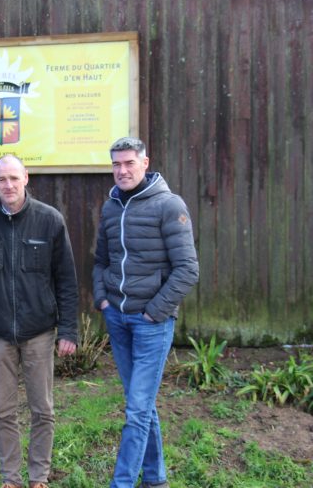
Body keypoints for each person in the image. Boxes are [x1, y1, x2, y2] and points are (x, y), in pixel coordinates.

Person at [0, 154, 79, 488]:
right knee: (3, 412)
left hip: (39, 331)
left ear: (26, 177)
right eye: (1, 179)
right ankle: (10, 479)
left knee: (43, 409)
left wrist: (68, 329)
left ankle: (38, 477)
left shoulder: (50, 220)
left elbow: (66, 279)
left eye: (14, 178)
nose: (8, 185)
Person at [93, 137, 199, 488]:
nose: (122, 171)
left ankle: (121, 483)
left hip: (151, 323)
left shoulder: (169, 206)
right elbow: (101, 261)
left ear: (144, 162)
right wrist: (103, 300)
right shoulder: (110, 207)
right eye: (116, 164)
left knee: (137, 409)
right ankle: (155, 479)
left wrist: (155, 312)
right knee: (142, 405)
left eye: (129, 163)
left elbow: (187, 269)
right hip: (118, 318)